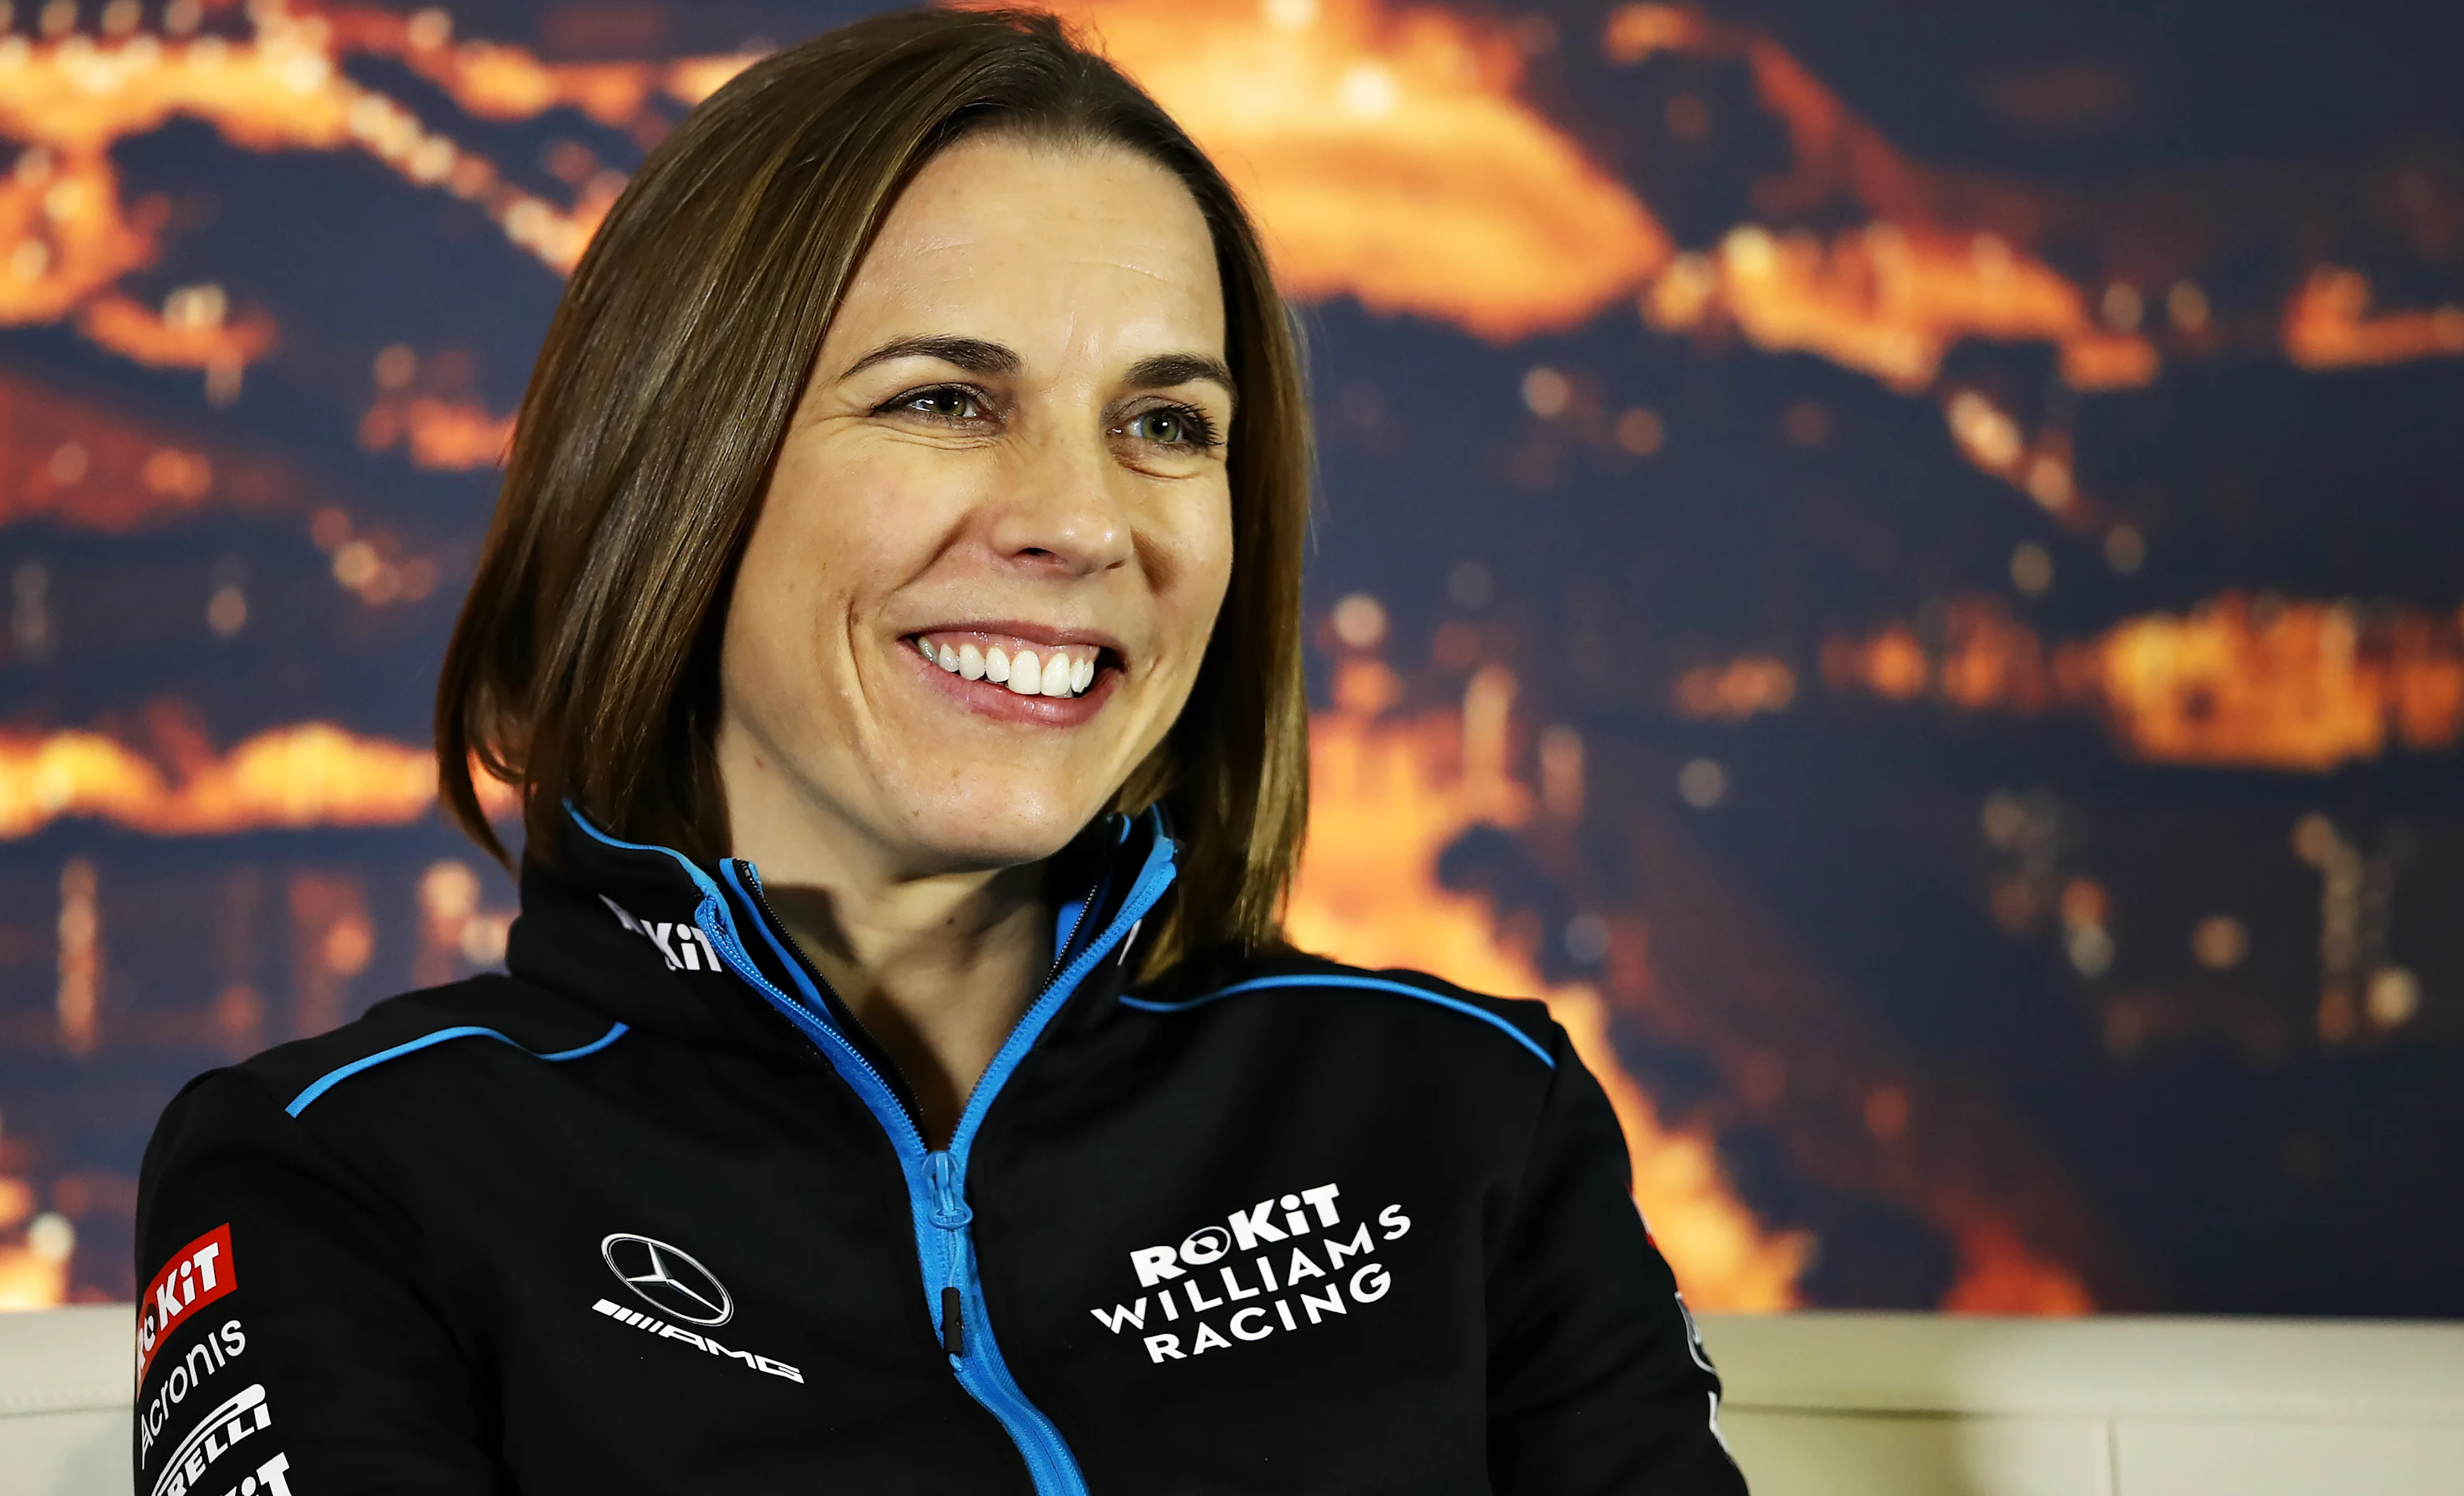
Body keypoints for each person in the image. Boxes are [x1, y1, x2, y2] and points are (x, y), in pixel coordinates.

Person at [131, 9, 1745, 1494]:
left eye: (1167, 424)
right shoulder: (343, 1171)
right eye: (942, 402)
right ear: (678, 474)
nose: (1078, 519)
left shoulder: (1465, 1111)